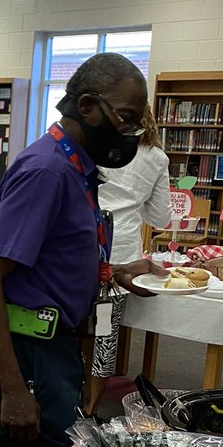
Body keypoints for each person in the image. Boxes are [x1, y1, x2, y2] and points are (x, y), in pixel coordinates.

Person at [0, 52, 166, 447]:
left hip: (51, 342)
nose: (131, 132)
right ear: (89, 107)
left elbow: (53, 257)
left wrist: (115, 272)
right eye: (126, 118)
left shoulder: (77, 167)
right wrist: (13, 391)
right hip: (28, 349)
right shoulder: (47, 171)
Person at [88, 102, 171, 412]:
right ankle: (93, 404)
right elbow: (160, 217)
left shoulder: (97, 145)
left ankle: (64, 387)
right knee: (105, 334)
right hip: (122, 255)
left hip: (83, 245)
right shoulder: (156, 158)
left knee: (75, 324)